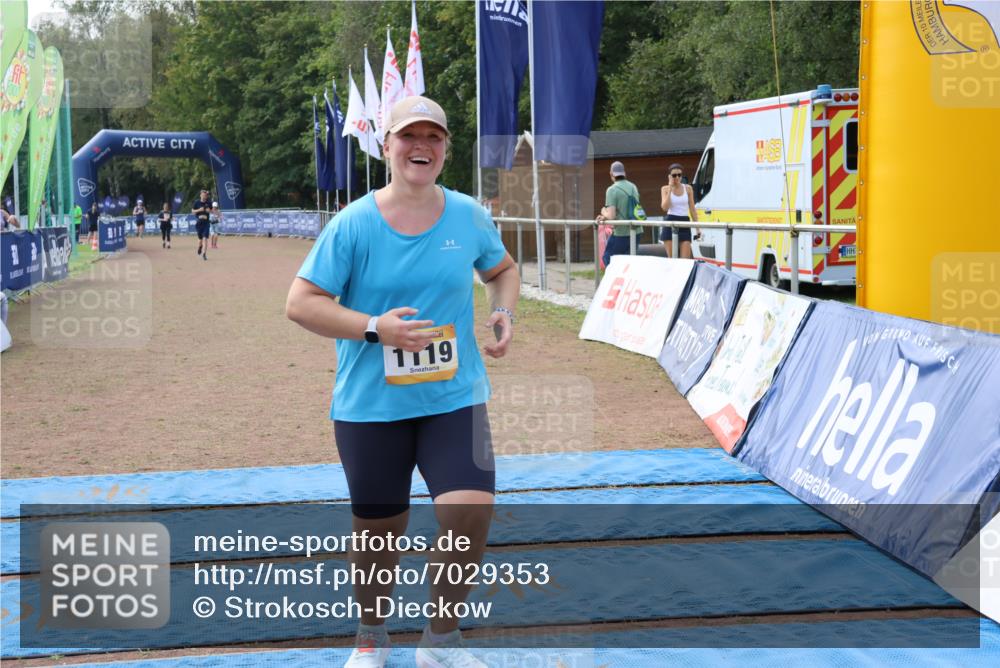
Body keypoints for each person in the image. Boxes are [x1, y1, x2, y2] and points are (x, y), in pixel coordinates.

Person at [286, 95, 520, 668]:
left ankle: (440, 642)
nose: (422, 147)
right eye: (409, 137)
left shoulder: (468, 215)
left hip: (454, 398)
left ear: (445, 148)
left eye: (433, 138)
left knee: (470, 512)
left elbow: (503, 270)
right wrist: (374, 328)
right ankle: (371, 639)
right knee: (378, 533)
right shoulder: (354, 223)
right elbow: (300, 303)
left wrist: (503, 310)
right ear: (386, 145)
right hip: (371, 406)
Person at [596, 160, 644, 268]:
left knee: (608, 258)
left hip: (621, 232)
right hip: (637, 230)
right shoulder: (633, 186)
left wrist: (603, 211)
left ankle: (613, 282)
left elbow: (611, 216)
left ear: (611, 174)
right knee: (629, 263)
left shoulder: (612, 190)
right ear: (624, 173)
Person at [659, 163, 700, 259]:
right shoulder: (665, 189)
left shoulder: (688, 188)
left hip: (684, 222)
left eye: (679, 175)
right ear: (669, 176)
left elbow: (692, 209)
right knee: (672, 259)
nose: (677, 177)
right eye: (674, 175)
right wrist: (670, 188)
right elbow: (665, 207)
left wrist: (698, 228)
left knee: (684, 260)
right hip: (670, 222)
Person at [192, 190, 212, 260]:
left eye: (205, 195)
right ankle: (200, 246)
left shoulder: (209, 202)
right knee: (200, 239)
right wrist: (199, 210)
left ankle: (204, 254)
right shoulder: (197, 202)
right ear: (200, 195)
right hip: (199, 223)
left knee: (205, 238)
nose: (204, 196)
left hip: (206, 223)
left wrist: (209, 211)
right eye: (203, 195)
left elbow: (212, 211)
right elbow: (193, 212)